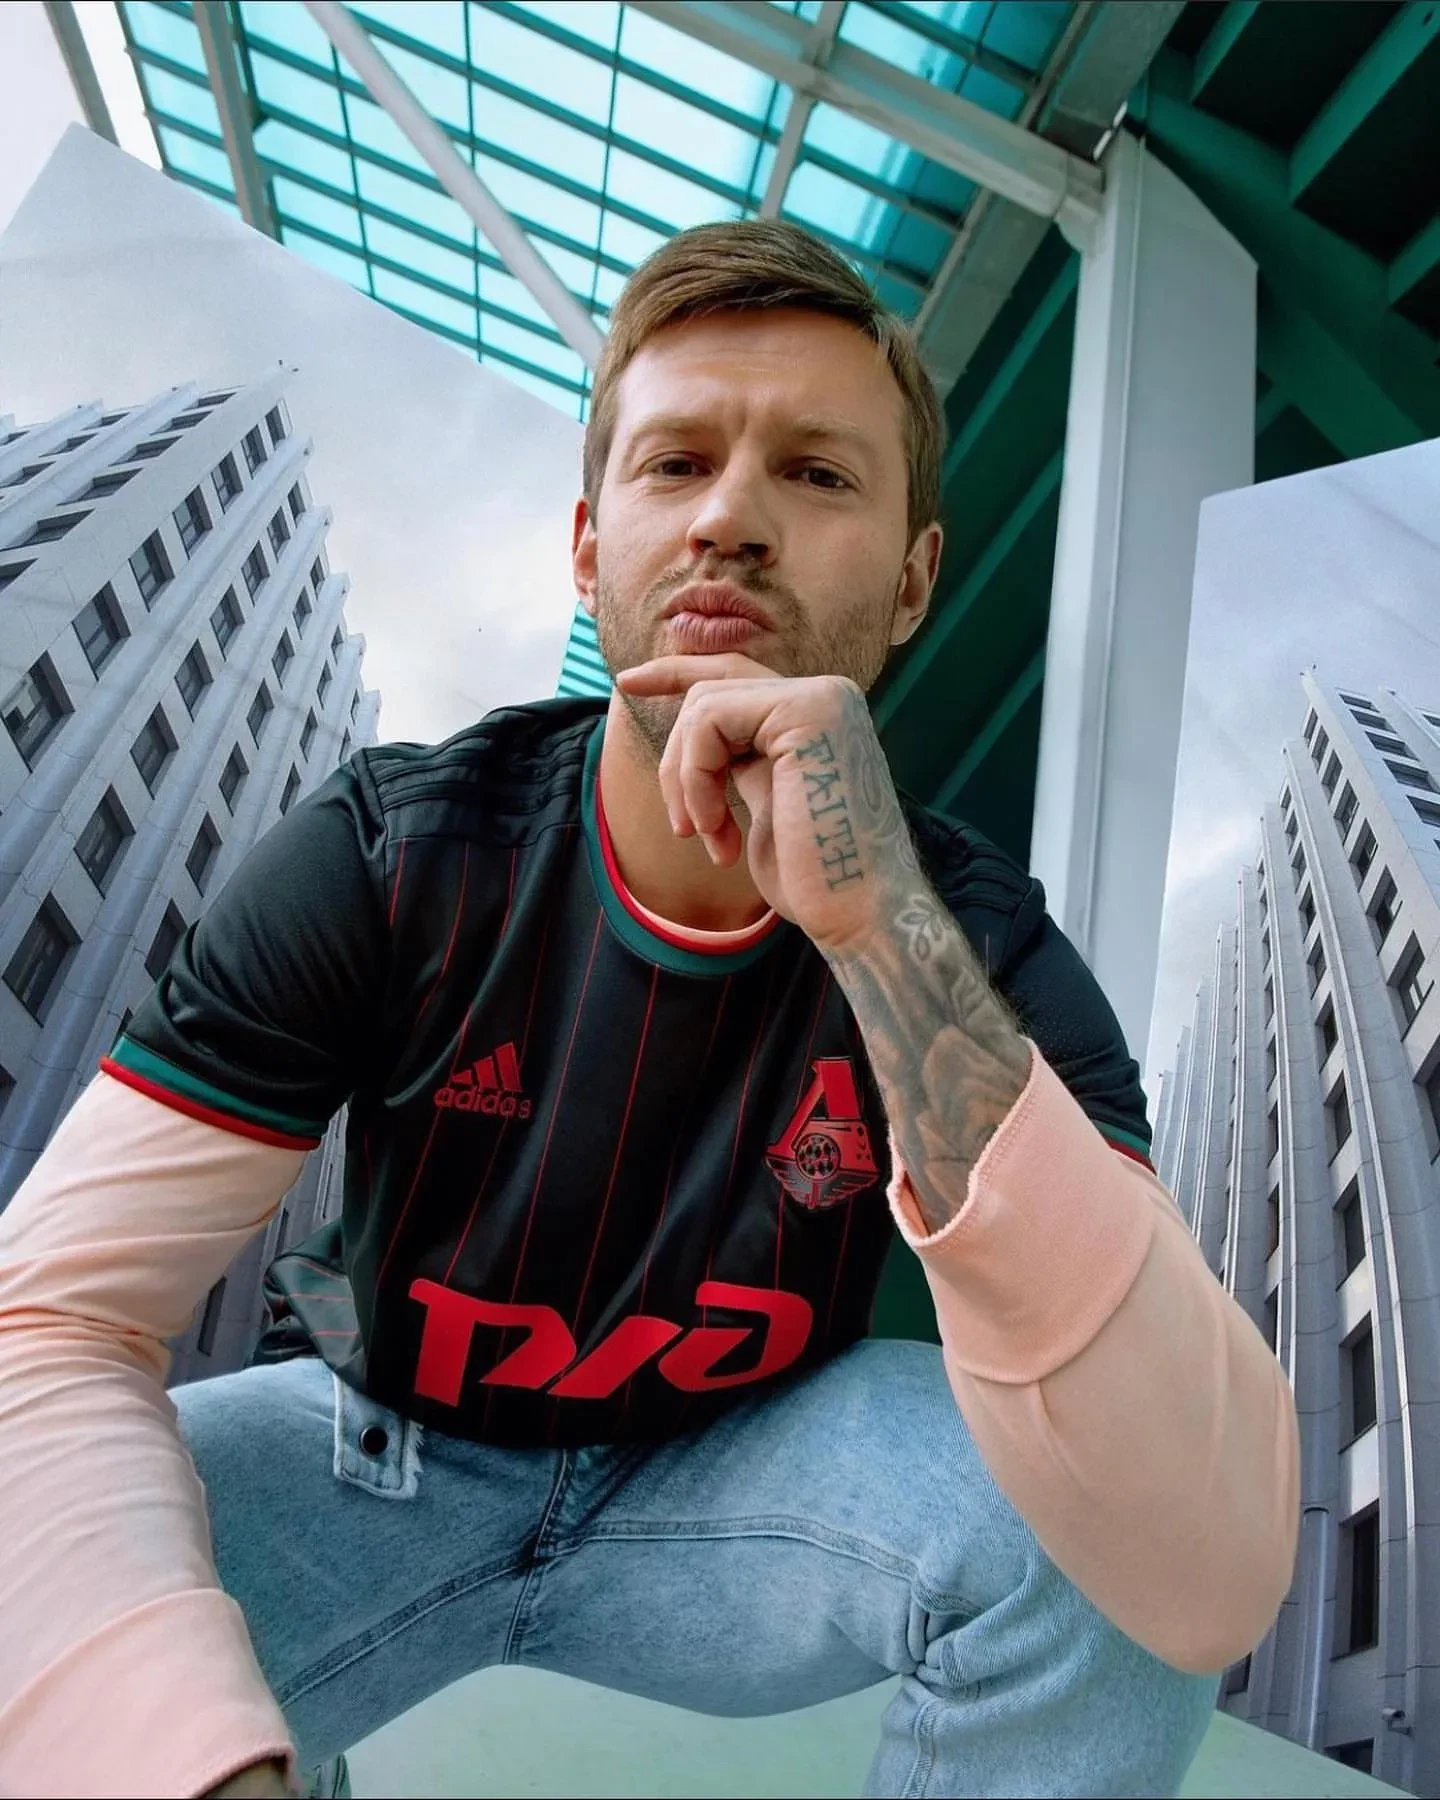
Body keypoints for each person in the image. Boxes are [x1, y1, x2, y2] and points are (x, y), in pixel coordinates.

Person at [0, 219, 1298, 1800]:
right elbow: (48, 1321)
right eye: (677, 463)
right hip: (374, 1449)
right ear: (588, 545)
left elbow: (1206, 1562)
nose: (731, 518)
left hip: (731, 1491)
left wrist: (879, 929)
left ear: (913, 580)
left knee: (1114, 1524)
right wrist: (189, 1759)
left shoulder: (970, 938)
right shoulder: (390, 854)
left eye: (816, 473)